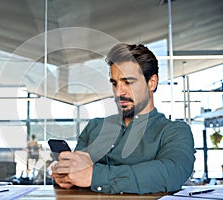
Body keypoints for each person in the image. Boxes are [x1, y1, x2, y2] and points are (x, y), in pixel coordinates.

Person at [51, 43, 196, 194]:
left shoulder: (174, 131)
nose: (119, 92)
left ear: (152, 83)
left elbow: (172, 173)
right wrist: (65, 176)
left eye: (128, 82)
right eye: (115, 83)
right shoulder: (95, 127)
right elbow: (75, 174)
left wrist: (95, 175)